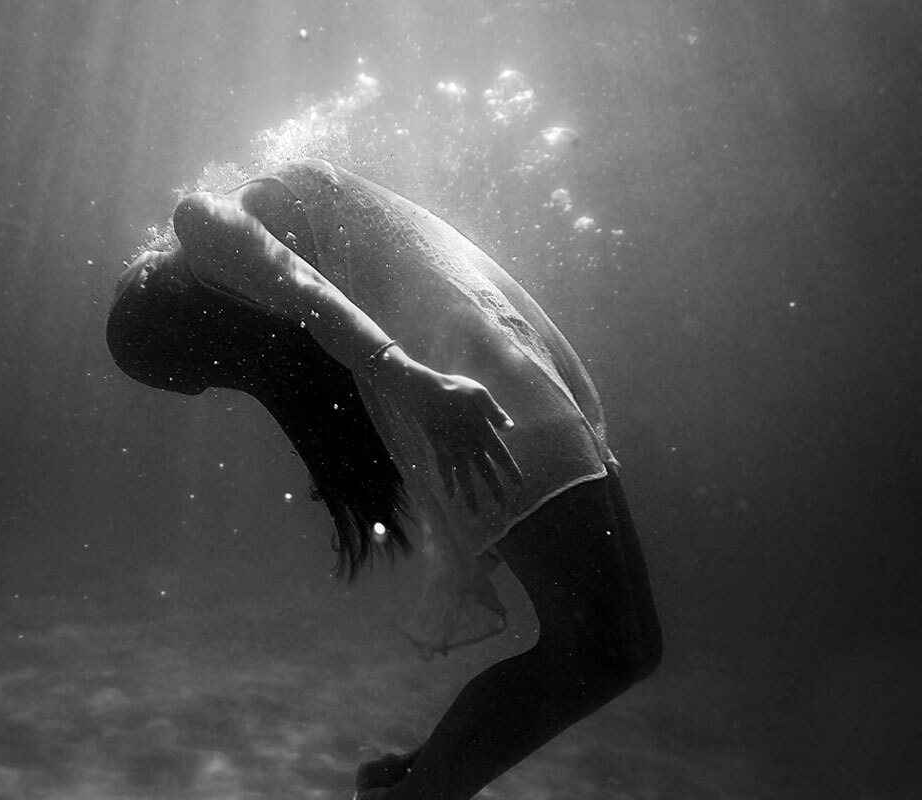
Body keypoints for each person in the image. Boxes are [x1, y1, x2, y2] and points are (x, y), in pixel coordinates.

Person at [106, 159, 662, 798]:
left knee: (630, 650)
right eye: (127, 286)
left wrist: (414, 378)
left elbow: (319, 290)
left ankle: (403, 783)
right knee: (604, 650)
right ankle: (413, 790)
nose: (129, 270)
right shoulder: (206, 224)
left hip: (475, 367)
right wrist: (415, 379)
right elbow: (310, 291)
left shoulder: (215, 224)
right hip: (466, 382)